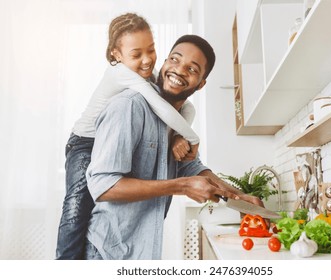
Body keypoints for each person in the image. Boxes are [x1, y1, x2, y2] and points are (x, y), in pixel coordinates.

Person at [84, 34, 262, 260]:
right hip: (106, 251)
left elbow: (192, 167)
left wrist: (237, 195)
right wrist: (183, 186)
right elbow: (102, 186)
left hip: (140, 251)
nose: (179, 70)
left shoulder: (179, 120)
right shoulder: (129, 107)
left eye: (192, 69)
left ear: (201, 84)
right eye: (175, 60)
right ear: (165, 62)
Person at [56, 13, 200, 260]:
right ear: (116, 54)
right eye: (136, 55)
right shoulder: (120, 73)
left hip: (107, 143)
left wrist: (179, 135)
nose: (146, 61)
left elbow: (186, 107)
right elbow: (162, 106)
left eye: (151, 50)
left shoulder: (147, 73)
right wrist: (193, 139)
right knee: (76, 210)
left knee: (97, 212)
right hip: (85, 144)